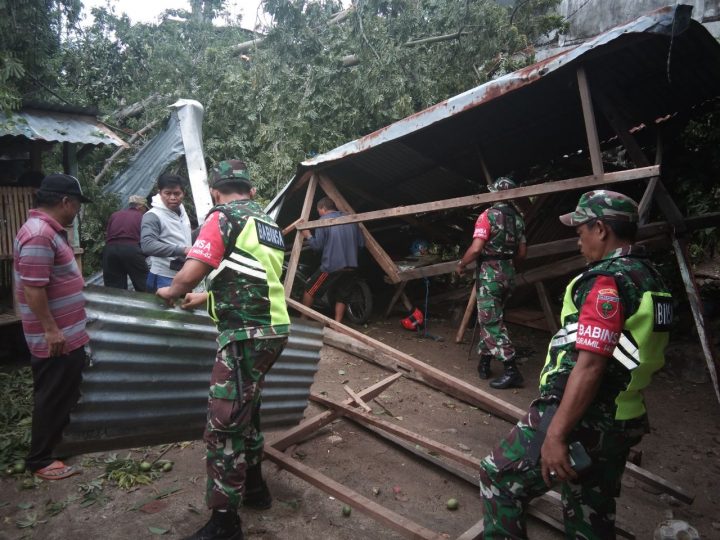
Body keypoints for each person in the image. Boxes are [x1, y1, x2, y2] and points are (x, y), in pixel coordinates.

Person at [479, 190, 673, 539]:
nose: (577, 238)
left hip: (583, 415)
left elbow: (590, 366)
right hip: (623, 417)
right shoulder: (651, 278)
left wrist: (555, 434)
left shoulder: (608, 281)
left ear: (600, 229)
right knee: (589, 511)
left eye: (580, 229)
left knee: (499, 477)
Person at [157, 160, 290, 540]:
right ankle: (256, 489)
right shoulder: (267, 223)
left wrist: (174, 290)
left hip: (244, 334)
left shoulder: (222, 216)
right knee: (248, 409)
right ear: (250, 189)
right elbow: (250, 275)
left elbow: (193, 268)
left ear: (216, 191)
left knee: (223, 425)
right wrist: (204, 299)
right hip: (273, 330)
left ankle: (224, 522)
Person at [13, 173, 92, 481]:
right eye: (76, 205)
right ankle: (40, 459)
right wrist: (51, 329)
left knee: (59, 391)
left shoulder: (45, 230)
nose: (76, 211)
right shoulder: (39, 235)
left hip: (64, 333)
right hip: (56, 336)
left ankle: (51, 447)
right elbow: (34, 288)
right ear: (65, 202)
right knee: (52, 394)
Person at [456, 177, 527, 389]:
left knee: (491, 321)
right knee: (491, 316)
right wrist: (507, 265)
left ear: (496, 194)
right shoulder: (518, 219)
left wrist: (461, 264)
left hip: (489, 276)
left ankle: (511, 368)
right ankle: (485, 363)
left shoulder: (487, 216)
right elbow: (522, 253)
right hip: (508, 274)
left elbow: (477, 248)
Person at [300, 196, 365, 322]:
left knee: (310, 289)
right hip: (352, 266)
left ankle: (303, 319)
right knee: (343, 296)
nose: (318, 213)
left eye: (318, 210)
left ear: (323, 208)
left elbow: (317, 246)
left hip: (331, 266)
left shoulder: (323, 220)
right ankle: (338, 324)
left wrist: (308, 235)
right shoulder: (351, 219)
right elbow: (361, 244)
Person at [141, 174, 193, 293]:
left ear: (183, 193)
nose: (173, 197)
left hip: (183, 274)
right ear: (160, 193)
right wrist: (183, 250)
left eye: (177, 193)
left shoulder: (181, 210)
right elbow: (147, 245)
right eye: (168, 193)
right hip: (163, 277)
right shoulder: (153, 216)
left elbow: (182, 236)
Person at [103, 194, 149, 291]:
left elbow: (107, 235)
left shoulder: (115, 215)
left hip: (110, 250)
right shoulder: (142, 217)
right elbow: (145, 239)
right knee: (143, 283)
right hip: (131, 248)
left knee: (114, 287)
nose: (145, 211)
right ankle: (147, 304)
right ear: (140, 206)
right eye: (145, 208)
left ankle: (115, 305)